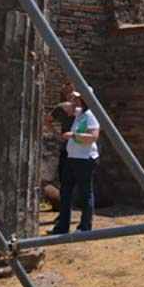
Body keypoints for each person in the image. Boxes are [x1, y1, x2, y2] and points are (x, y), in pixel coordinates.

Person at [48, 92, 100, 234]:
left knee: (85, 193)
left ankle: (84, 227)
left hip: (84, 159)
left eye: (78, 98)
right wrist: (72, 99)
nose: (75, 100)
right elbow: (66, 107)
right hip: (72, 158)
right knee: (65, 192)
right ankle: (62, 226)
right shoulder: (79, 113)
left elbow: (93, 136)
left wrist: (73, 135)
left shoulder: (90, 115)